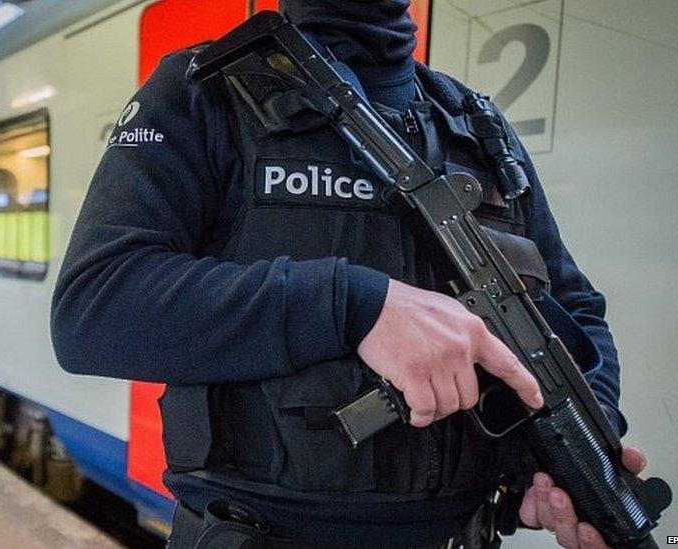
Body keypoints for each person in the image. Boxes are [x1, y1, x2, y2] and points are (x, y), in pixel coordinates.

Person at [51, 1, 647, 547]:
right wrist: (355, 306)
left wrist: (569, 454)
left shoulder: (476, 127)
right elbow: (93, 307)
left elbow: (572, 306)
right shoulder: (203, 91)